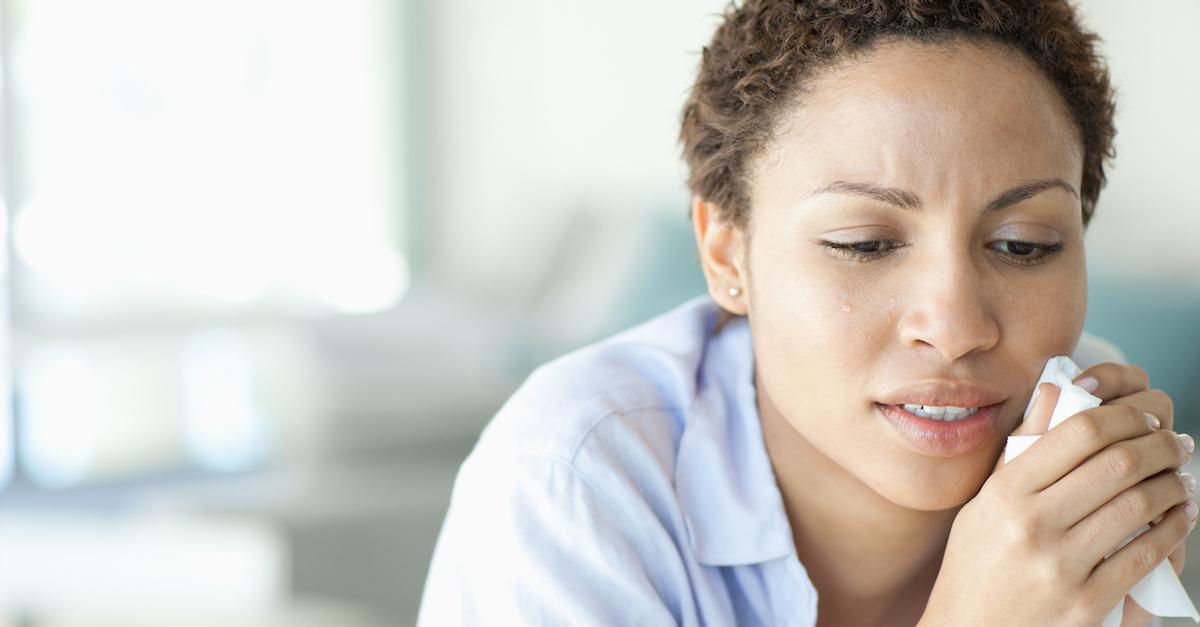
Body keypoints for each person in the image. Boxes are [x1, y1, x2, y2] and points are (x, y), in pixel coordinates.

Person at [417, 1, 1194, 625]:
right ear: (727, 255)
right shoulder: (575, 480)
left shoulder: (1079, 442)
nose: (956, 327)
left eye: (1024, 245)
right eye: (863, 243)